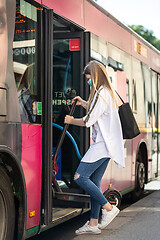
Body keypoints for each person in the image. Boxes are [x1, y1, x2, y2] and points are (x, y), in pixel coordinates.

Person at [64, 60, 125, 235]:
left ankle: (108, 208)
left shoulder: (101, 93)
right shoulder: (106, 92)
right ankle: (93, 224)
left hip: (101, 145)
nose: (87, 81)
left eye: (88, 77)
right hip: (107, 146)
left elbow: (87, 120)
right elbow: (96, 111)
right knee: (95, 183)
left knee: (80, 177)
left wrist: (70, 120)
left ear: (95, 76)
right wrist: (83, 102)